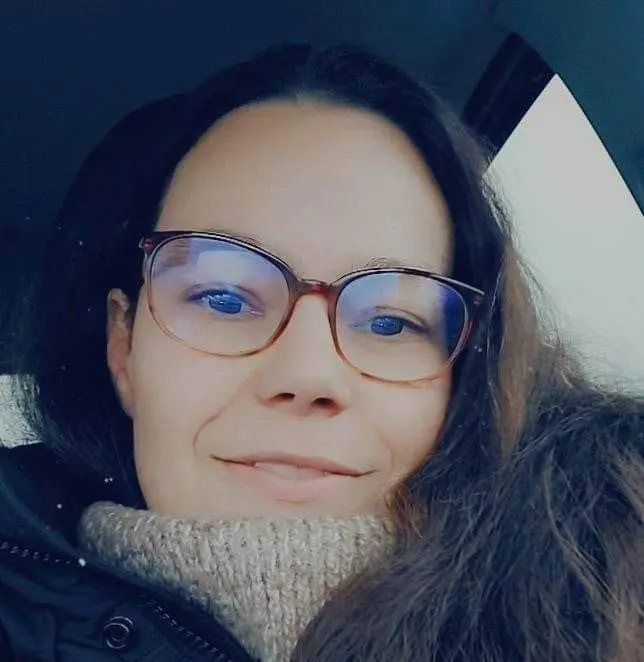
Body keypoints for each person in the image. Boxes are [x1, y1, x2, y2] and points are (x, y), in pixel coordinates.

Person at [0, 44, 642, 662]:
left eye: (390, 322)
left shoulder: (607, 601)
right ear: (123, 350)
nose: (308, 375)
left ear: (465, 378)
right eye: (223, 298)